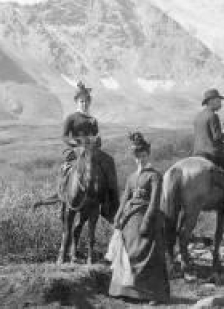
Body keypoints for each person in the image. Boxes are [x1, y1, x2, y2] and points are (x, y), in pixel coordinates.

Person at [109, 132, 170, 304]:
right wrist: (118, 216)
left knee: (150, 257)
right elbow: (124, 199)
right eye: (138, 156)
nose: (140, 159)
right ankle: (127, 292)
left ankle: (154, 295)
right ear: (134, 157)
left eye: (143, 156)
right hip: (130, 220)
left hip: (147, 219)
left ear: (148, 155)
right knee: (129, 254)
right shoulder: (131, 177)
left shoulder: (155, 175)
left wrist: (147, 221)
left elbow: (154, 201)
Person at [60, 81, 119, 221]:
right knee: (65, 169)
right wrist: (77, 144)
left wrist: (97, 142)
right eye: (82, 101)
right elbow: (64, 136)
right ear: (77, 102)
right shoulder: (71, 118)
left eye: (86, 102)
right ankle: (62, 195)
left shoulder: (93, 120)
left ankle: (110, 203)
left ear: (89, 103)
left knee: (109, 161)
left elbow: (97, 137)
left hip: (91, 150)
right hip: (76, 150)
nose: (84, 104)